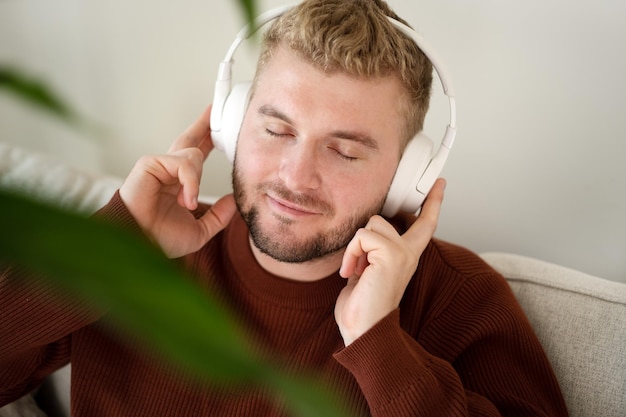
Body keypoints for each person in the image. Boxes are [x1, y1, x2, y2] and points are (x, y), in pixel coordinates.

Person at [1, 0, 569, 416]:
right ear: (230, 124)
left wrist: (379, 343)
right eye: (276, 129)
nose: (295, 177)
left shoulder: (462, 299)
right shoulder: (130, 251)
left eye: (345, 151)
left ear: (407, 177)